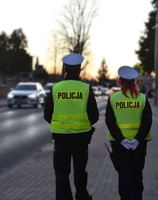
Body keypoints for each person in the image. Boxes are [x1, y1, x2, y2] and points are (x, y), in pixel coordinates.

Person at [44, 53, 99, 200]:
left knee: (62, 172)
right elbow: (94, 116)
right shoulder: (86, 89)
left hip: (61, 138)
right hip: (81, 137)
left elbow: (47, 114)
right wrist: (83, 125)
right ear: (79, 69)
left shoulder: (55, 89)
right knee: (80, 170)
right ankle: (82, 195)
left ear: (65, 69)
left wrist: (61, 125)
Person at [105, 66, 152, 200]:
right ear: (134, 82)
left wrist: (121, 140)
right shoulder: (142, 98)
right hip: (139, 144)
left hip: (119, 144)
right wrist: (137, 139)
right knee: (137, 174)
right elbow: (147, 121)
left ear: (120, 81)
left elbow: (110, 122)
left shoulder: (113, 99)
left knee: (123, 175)